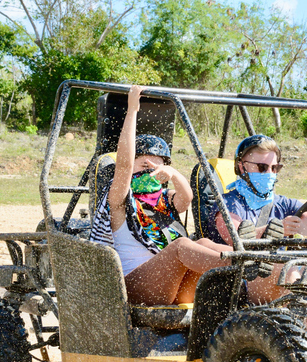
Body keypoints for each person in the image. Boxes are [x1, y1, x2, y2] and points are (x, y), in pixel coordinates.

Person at [212, 134, 307, 349]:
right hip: (248, 281)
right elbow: (234, 237)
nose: (269, 173)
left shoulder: (283, 203)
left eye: (274, 168)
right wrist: (273, 229)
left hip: (288, 281)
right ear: (242, 166)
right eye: (262, 167)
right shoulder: (229, 202)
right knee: (289, 270)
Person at [88, 85, 233, 306]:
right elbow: (125, 166)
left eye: (157, 160)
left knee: (202, 242)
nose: (150, 164)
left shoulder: (163, 199)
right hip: (134, 288)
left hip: (170, 286)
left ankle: (252, 258)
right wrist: (132, 110)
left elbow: (187, 199)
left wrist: (174, 175)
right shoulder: (118, 199)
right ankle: (243, 266)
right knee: (182, 246)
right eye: (143, 159)